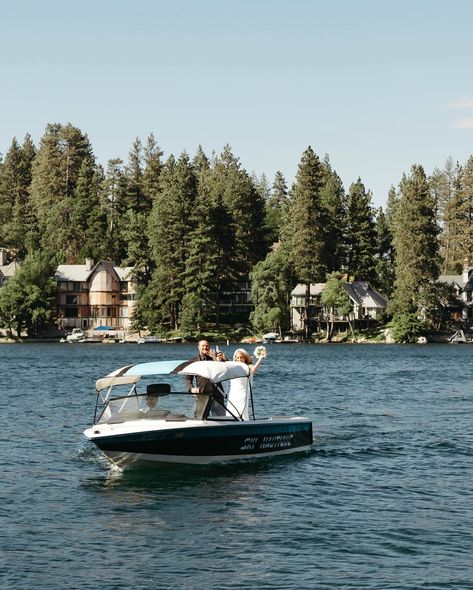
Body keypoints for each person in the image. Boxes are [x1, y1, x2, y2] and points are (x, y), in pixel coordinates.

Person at [184, 340, 227, 416]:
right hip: (202, 394)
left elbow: (226, 369)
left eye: (207, 346)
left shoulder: (216, 358)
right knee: (200, 417)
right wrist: (191, 388)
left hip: (217, 393)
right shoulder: (193, 361)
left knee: (221, 418)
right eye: (203, 346)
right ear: (198, 347)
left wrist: (223, 358)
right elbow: (188, 378)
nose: (205, 347)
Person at [227, 348, 266, 420]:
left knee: (241, 409)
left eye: (241, 357)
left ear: (245, 358)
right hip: (233, 393)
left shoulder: (248, 366)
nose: (239, 359)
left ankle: (243, 422)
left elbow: (253, 370)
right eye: (237, 358)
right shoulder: (233, 366)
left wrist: (260, 359)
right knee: (231, 409)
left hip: (243, 392)